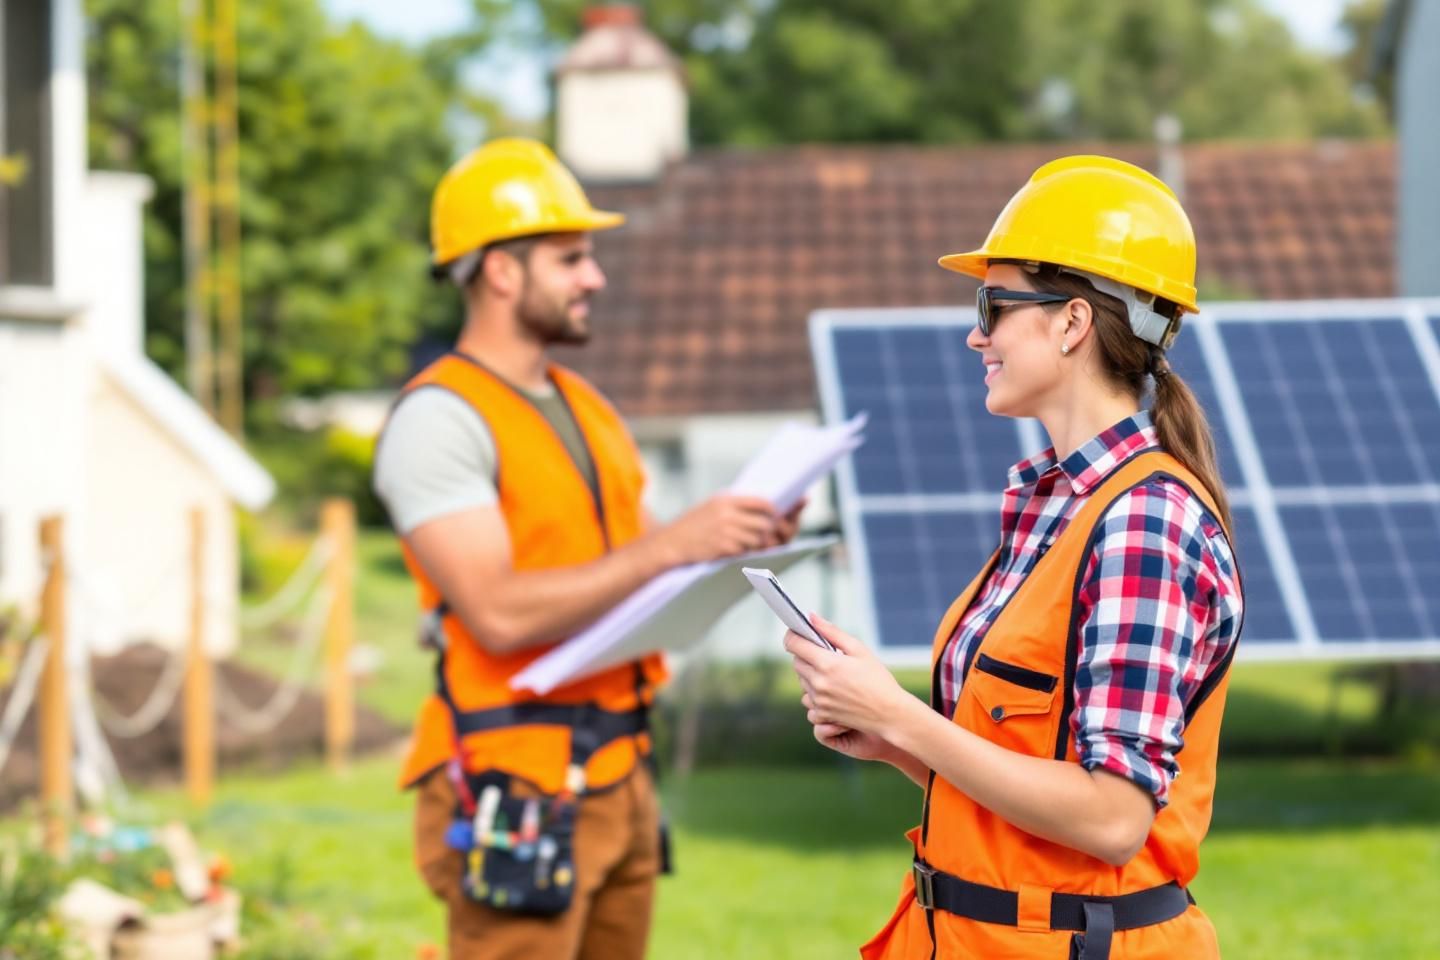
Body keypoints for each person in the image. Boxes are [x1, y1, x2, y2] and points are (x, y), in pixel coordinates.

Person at [784, 155, 1245, 960]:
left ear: (1071, 323)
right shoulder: (1058, 506)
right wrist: (894, 740)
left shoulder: (1142, 524)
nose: (976, 334)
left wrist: (901, 716)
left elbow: (1112, 818)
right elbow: (1030, 785)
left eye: (993, 306)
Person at [375, 137, 802, 960]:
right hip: (515, 779)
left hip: (619, 772)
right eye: (571, 259)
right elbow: (498, 614)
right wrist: (672, 545)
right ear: (502, 271)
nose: (595, 278)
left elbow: (641, 571)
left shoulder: (589, 406)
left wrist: (733, 538)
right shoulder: (437, 421)